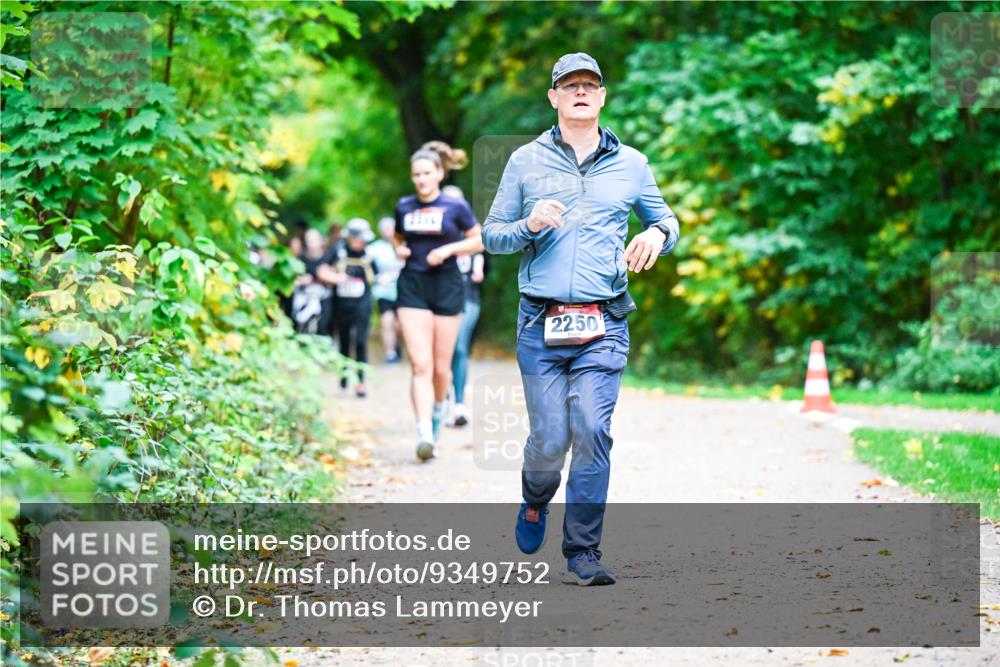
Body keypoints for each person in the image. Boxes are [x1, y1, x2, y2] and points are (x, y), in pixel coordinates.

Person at [480, 53, 680, 586]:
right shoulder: (525, 160)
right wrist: (527, 224)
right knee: (549, 441)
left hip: (604, 322)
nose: (581, 92)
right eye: (570, 85)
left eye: (591, 84)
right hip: (540, 322)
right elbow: (492, 235)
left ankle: (583, 552)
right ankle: (534, 500)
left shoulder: (632, 164)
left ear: (603, 96)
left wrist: (656, 234)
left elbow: (666, 219)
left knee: (592, 429)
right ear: (554, 97)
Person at [393, 141, 483, 462]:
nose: (421, 179)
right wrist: (398, 249)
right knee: (421, 364)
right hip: (413, 286)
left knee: (441, 368)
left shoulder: (455, 207)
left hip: (447, 285)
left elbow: (480, 240)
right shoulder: (404, 206)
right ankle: (424, 435)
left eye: (426, 173)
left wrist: (448, 250)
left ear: (440, 174)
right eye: (416, 174)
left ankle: (436, 415)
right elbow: (398, 236)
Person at [440, 184, 484, 428]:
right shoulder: (435, 233)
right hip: (440, 300)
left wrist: (478, 267)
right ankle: (442, 402)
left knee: (458, 346)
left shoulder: (472, 232)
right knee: (441, 351)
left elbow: (482, 251)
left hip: (468, 299)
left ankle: (458, 404)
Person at [331, 218, 378, 398]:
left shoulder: (368, 255)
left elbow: (376, 275)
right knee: (344, 341)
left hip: (362, 304)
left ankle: (361, 382)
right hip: (341, 305)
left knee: (360, 341)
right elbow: (322, 268)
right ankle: (344, 375)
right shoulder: (338, 252)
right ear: (350, 237)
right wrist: (336, 278)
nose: (363, 242)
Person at [368, 216, 404, 363]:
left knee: (400, 324)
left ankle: (398, 347)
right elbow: (365, 266)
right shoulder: (374, 248)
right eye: (385, 229)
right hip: (384, 291)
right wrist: (376, 278)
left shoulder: (403, 245)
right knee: (386, 321)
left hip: (403, 288)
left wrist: (394, 275)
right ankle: (390, 354)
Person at [292, 228, 339, 336]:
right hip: (305, 299)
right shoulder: (300, 259)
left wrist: (327, 275)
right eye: (309, 240)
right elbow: (293, 280)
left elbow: (339, 276)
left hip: (324, 298)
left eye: (314, 239)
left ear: (320, 240)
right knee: (302, 327)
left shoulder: (330, 257)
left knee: (323, 327)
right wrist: (302, 280)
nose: (312, 243)